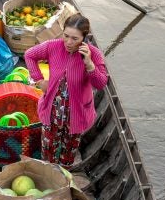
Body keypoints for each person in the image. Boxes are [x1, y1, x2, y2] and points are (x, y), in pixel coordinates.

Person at [23, 13, 109, 167]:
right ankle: (49, 176)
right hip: (52, 111)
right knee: (48, 153)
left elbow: (101, 83)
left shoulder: (93, 54)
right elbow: (29, 55)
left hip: (76, 115)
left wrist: (89, 64)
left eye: (75, 39)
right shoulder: (53, 46)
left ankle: (63, 175)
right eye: (66, 36)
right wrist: (39, 80)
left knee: (68, 155)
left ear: (84, 37)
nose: (68, 42)